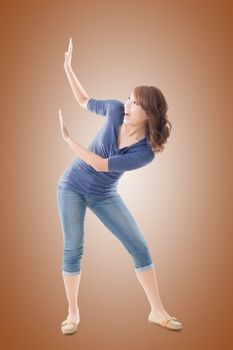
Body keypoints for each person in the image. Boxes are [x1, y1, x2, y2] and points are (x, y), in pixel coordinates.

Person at [57, 38, 182, 335]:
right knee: (73, 247)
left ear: (149, 113)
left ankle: (157, 311)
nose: (127, 104)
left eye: (135, 102)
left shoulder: (145, 153)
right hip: (71, 186)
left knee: (139, 247)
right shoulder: (114, 110)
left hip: (103, 194)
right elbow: (84, 101)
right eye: (128, 98)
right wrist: (68, 68)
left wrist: (68, 140)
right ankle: (72, 311)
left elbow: (101, 166)